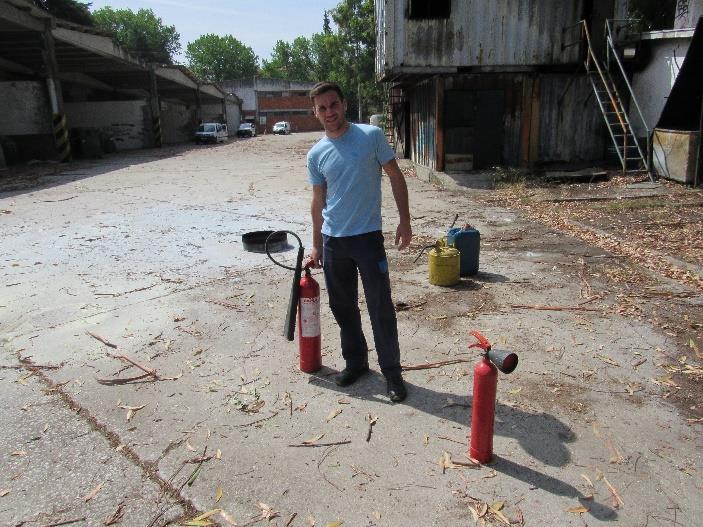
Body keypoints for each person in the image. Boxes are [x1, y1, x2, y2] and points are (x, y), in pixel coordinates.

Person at [306, 81, 412, 402]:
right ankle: (356, 363)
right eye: (322, 108)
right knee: (343, 308)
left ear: (344, 104)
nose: (329, 113)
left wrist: (405, 220)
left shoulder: (370, 136)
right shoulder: (316, 153)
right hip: (334, 241)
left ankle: (392, 374)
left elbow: (395, 175)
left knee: (380, 308)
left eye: (333, 105)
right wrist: (316, 244)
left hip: (367, 239)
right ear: (315, 113)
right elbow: (318, 200)